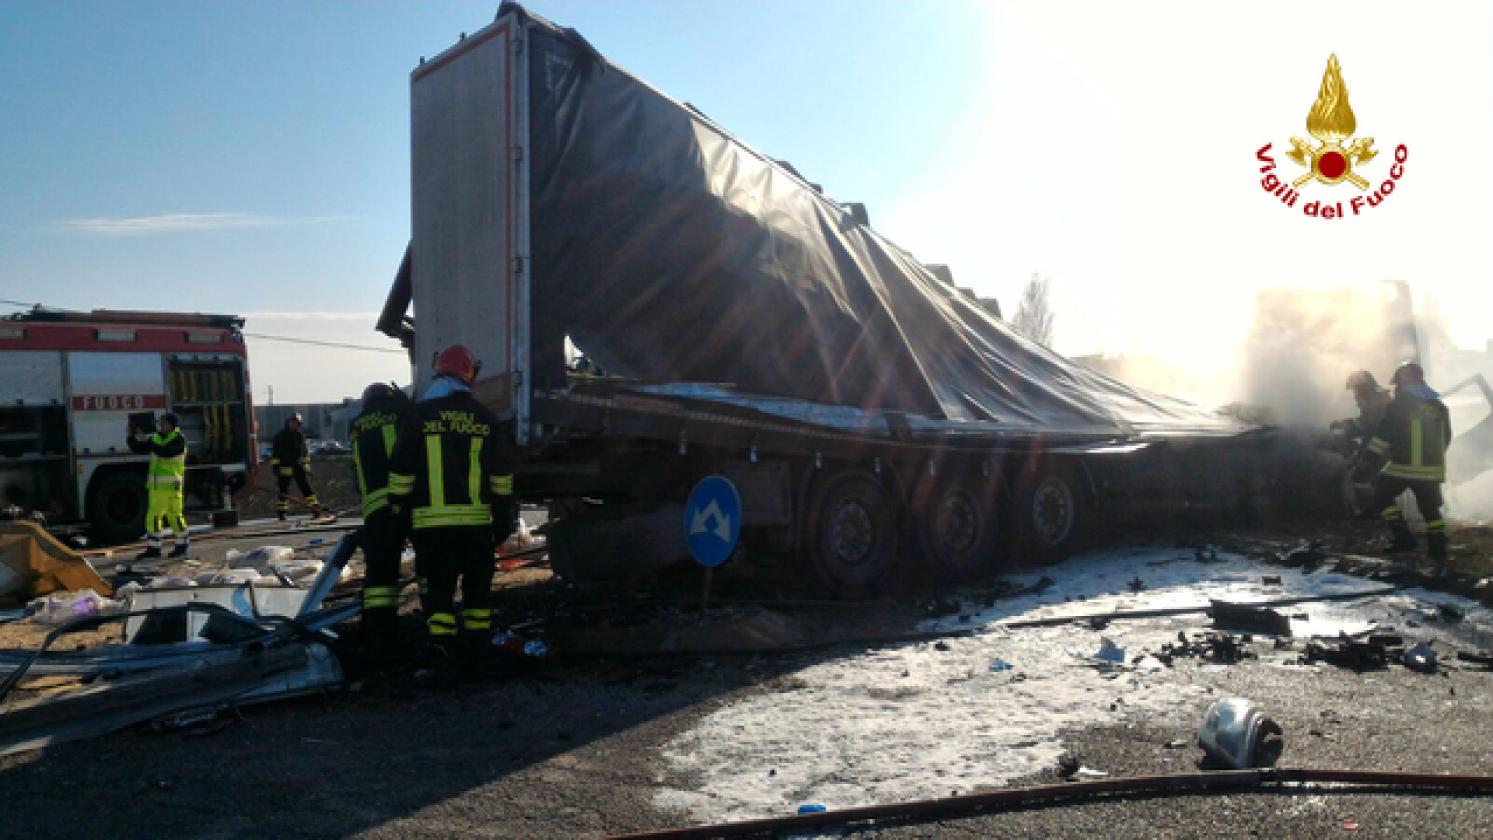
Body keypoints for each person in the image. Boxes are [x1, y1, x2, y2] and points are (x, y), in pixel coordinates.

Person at [388, 345, 516, 683]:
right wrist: (504, 518)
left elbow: (401, 470)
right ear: (469, 375)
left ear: (438, 372)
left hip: (432, 528)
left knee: (439, 595)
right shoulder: (486, 418)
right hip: (476, 527)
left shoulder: (420, 415)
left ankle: (443, 659)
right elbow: (501, 476)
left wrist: (398, 511)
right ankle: (478, 659)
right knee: (477, 597)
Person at [350, 382, 419, 667]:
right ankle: (436, 621)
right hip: (405, 500)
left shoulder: (355, 425)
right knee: (429, 561)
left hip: (374, 508)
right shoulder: (399, 411)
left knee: (379, 575)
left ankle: (378, 634)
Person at [1365, 360, 1452, 571]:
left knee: (1381, 496)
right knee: (1430, 511)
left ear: (1404, 382)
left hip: (1403, 468)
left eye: (1398, 384)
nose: (1397, 389)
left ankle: (1404, 538)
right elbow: (1447, 437)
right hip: (1432, 470)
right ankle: (1438, 550)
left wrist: (1369, 458)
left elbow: (1384, 435)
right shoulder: (1439, 406)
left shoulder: (1400, 405)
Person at [126, 412, 190, 559]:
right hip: (156, 488)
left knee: (175, 516)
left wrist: (147, 441)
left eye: (165, 423)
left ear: (172, 425)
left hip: (172, 487)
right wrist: (130, 436)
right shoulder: (156, 438)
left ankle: (182, 546)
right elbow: (138, 448)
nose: (162, 425)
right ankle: (153, 549)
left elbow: (166, 452)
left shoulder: (179, 439)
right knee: (153, 518)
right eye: (161, 422)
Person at [271, 413, 328, 520]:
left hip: (298, 466)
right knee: (283, 490)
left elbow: (305, 452)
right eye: (292, 422)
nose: (294, 424)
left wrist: (306, 464)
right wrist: (276, 467)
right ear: (288, 422)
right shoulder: (280, 436)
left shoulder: (300, 435)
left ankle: (315, 509)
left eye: (296, 423)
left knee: (306, 488)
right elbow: (275, 453)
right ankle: (282, 512)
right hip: (285, 466)